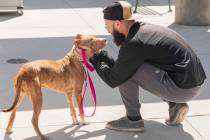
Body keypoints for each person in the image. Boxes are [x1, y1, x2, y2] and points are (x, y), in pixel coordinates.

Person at [75, 1, 206, 132]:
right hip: (192, 82)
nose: (107, 30)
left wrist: (92, 58)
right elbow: (121, 67)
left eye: (107, 25)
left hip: (184, 88)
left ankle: (133, 120)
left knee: (129, 73)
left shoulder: (134, 43)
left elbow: (114, 79)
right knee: (128, 68)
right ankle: (175, 105)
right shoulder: (143, 30)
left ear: (117, 24)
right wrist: (100, 56)